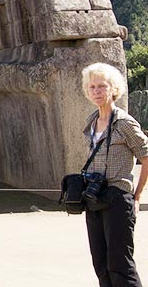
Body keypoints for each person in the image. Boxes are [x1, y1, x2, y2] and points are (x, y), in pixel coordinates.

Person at [80, 62, 148, 286]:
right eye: (92, 87)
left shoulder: (124, 122)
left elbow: (146, 156)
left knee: (120, 266)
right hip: (94, 198)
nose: (97, 91)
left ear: (113, 89)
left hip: (118, 198)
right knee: (100, 264)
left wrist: (136, 196)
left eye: (102, 86)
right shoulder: (91, 122)